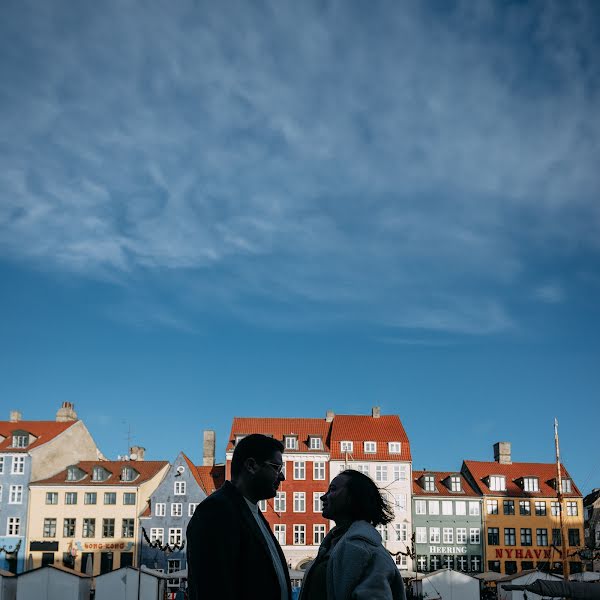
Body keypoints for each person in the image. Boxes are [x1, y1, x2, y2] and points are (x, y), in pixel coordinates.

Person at [186, 433, 291, 600]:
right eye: (276, 467)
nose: (282, 476)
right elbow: (213, 588)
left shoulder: (251, 511)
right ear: (251, 466)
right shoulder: (216, 511)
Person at [300, 469, 406, 600]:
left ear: (354, 496)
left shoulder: (367, 550)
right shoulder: (334, 544)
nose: (323, 497)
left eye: (332, 489)